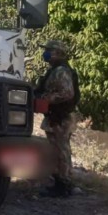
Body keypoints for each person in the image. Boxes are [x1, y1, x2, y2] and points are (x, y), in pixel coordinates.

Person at [35, 40, 80, 197]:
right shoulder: (56, 70)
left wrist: (45, 99)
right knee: (58, 149)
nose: (46, 53)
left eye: (49, 50)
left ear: (59, 53)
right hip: (56, 116)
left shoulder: (61, 71)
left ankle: (63, 185)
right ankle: (61, 183)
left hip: (60, 117)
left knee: (61, 151)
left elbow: (67, 93)